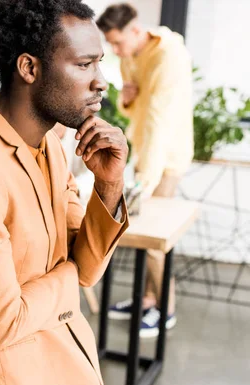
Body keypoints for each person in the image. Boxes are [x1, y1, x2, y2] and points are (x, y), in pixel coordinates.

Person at [0, 1, 129, 385]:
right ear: (29, 68)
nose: (101, 81)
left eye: (98, 64)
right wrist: (67, 279)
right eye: (84, 65)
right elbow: (1, 323)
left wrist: (109, 183)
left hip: (70, 367)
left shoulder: (51, 146)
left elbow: (86, 268)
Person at [97, 3, 194, 338]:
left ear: (135, 30)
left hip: (165, 159)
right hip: (144, 152)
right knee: (139, 234)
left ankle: (165, 309)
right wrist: (126, 99)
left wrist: (144, 181)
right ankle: (148, 299)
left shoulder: (168, 58)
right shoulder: (130, 55)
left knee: (154, 238)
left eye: (117, 43)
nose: (114, 51)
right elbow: (134, 106)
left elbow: (158, 122)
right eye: (110, 44)